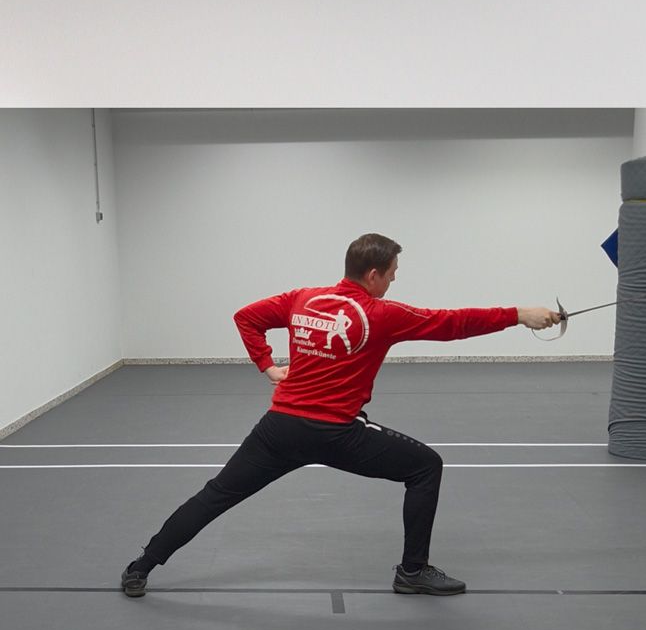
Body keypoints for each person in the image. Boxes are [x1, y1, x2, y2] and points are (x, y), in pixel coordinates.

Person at [119, 233, 560, 599]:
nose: (394, 281)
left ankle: (141, 567)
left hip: (278, 430)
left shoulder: (302, 299)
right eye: (392, 273)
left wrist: (268, 366)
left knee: (216, 495)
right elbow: (452, 323)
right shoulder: (381, 314)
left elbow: (246, 317)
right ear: (373, 274)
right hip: (336, 434)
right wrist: (520, 315)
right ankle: (412, 572)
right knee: (426, 467)